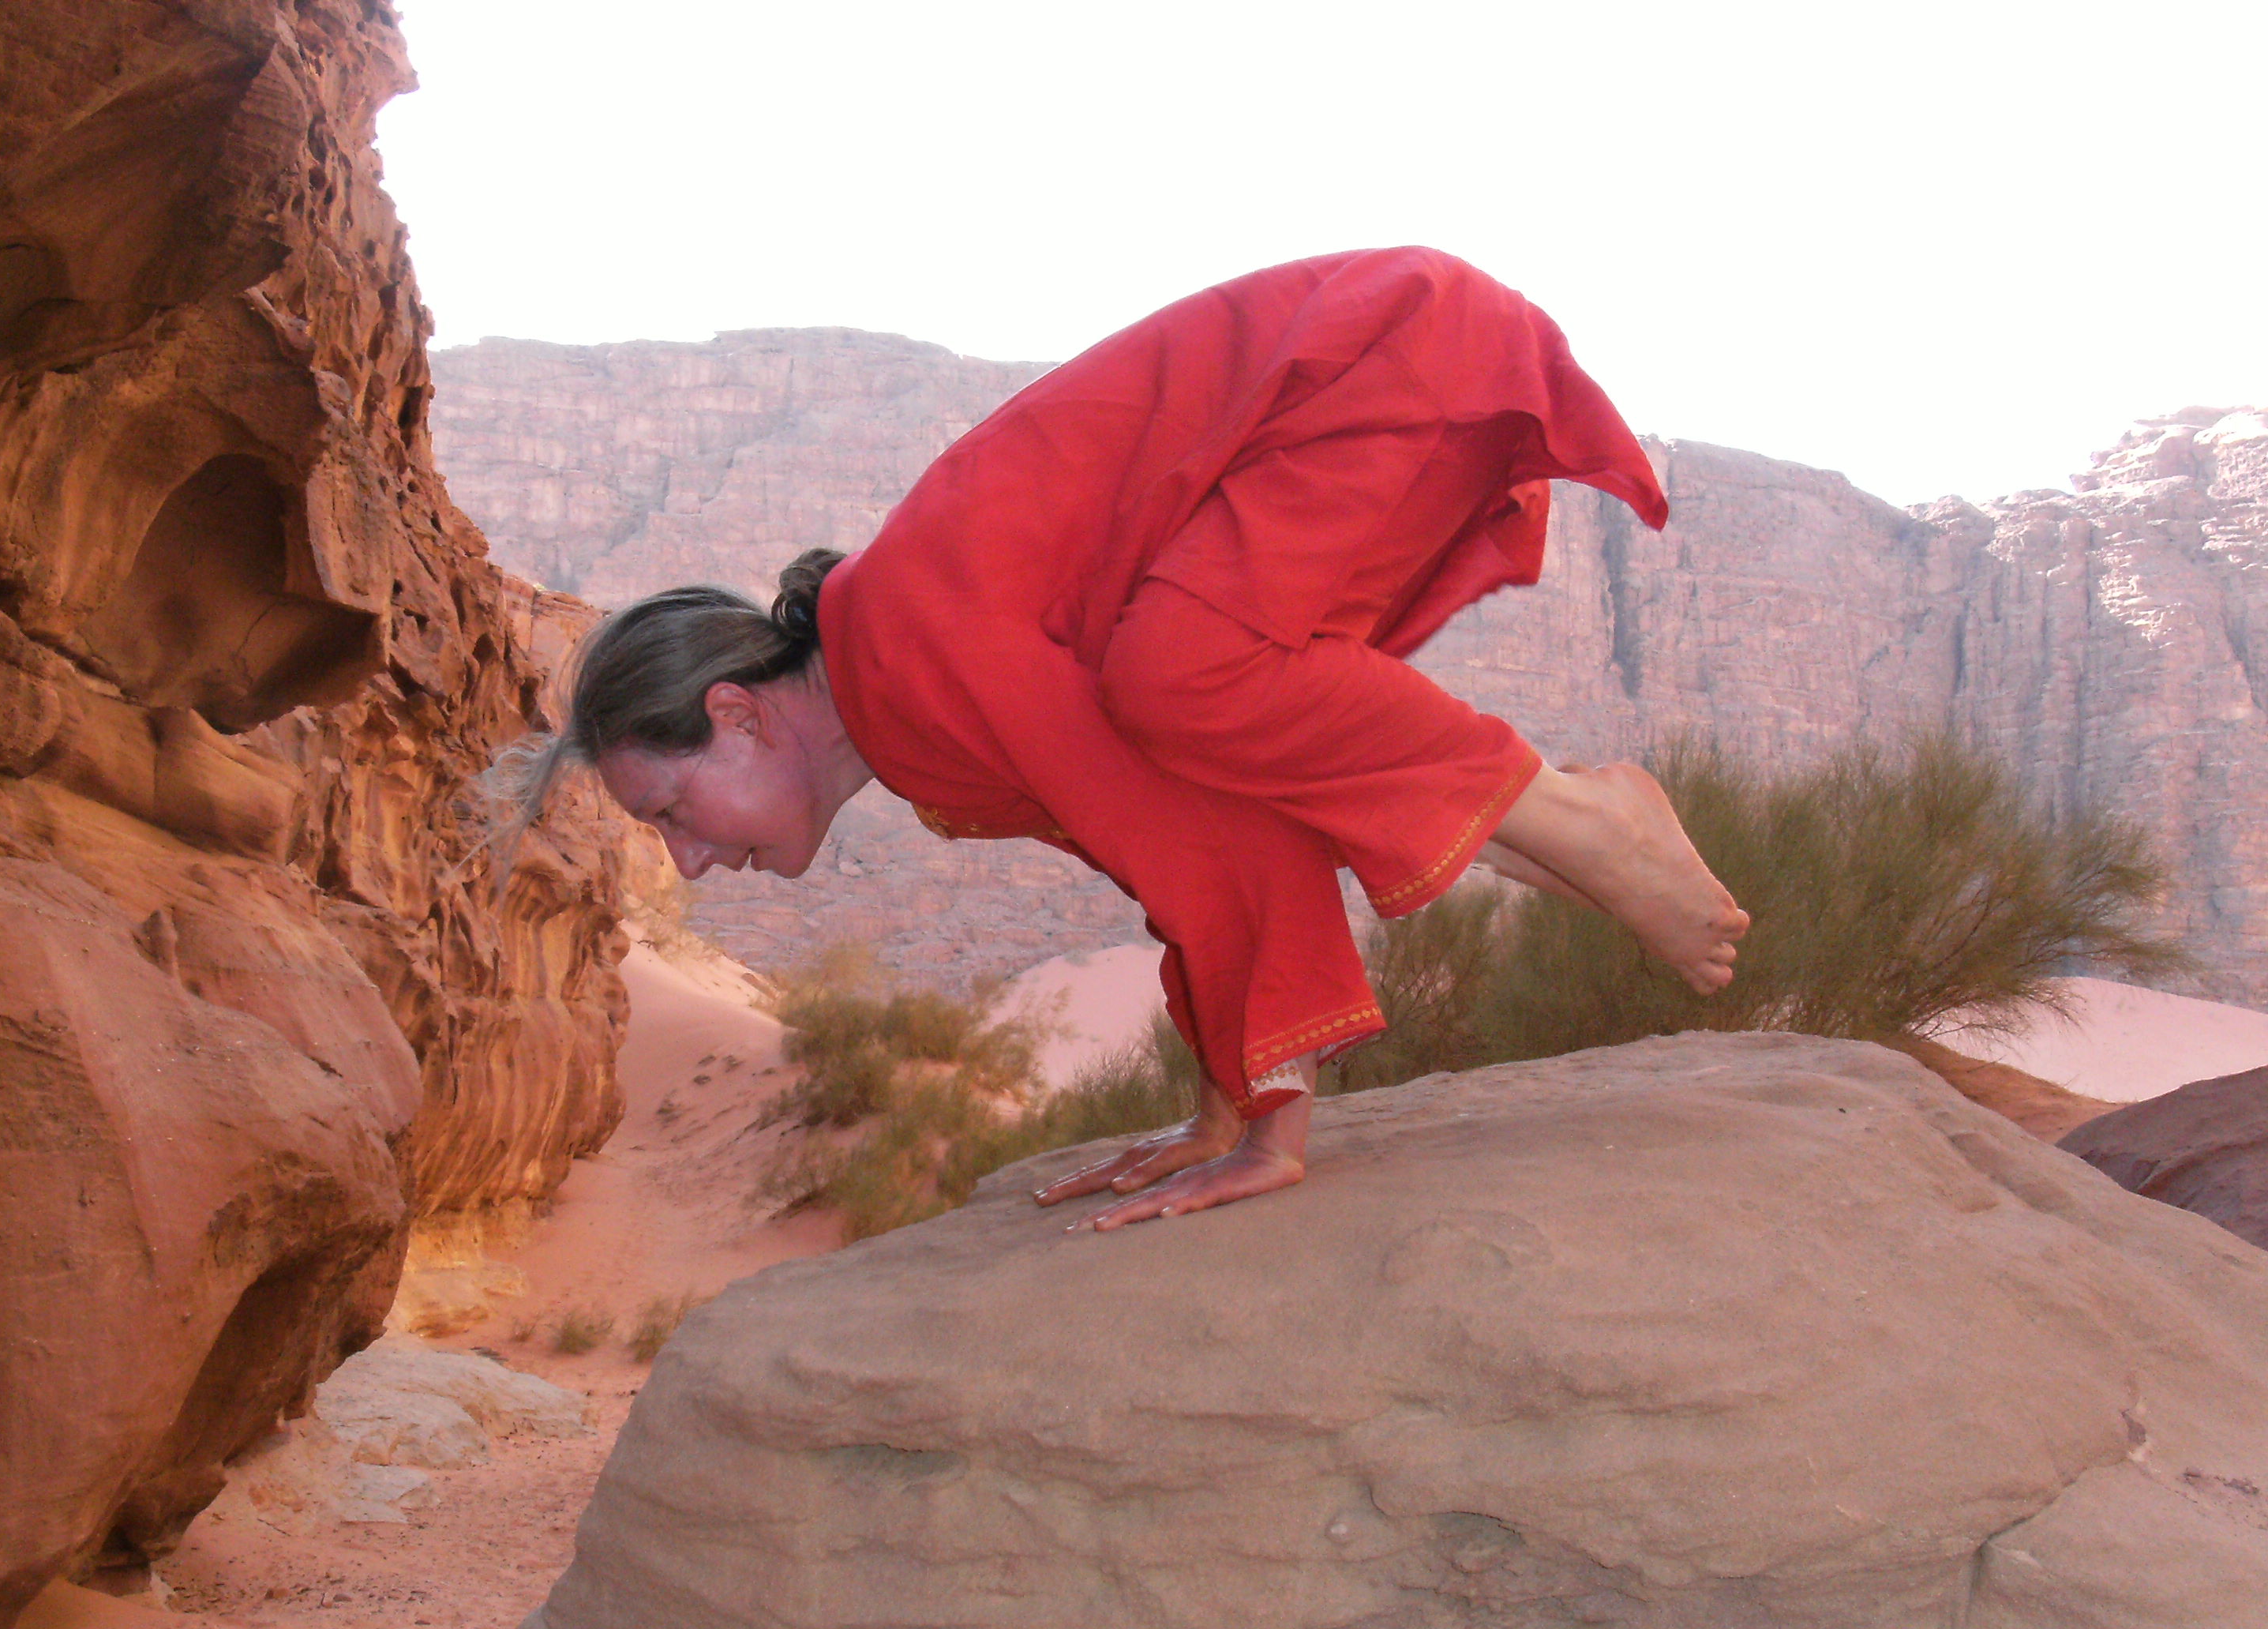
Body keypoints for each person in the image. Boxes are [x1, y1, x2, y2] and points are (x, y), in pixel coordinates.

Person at [487, 249, 1749, 1232]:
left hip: (1382, 360)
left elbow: (1192, 847)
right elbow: (1181, 838)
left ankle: (1585, 820)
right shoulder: (915, 726)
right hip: (1383, 369)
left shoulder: (905, 645)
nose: (687, 861)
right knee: (1212, 715)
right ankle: (1551, 830)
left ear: (736, 713)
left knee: (1183, 677)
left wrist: (1275, 1137)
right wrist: (1225, 1111)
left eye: (670, 811)